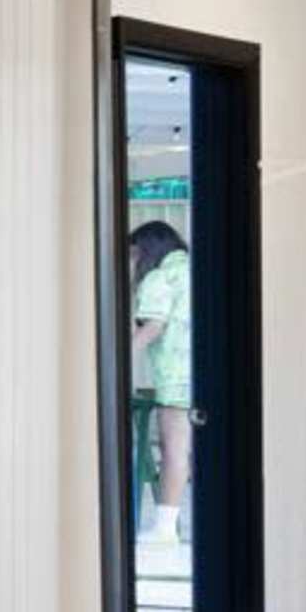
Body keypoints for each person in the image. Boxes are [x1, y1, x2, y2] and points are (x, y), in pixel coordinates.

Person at [128, 220, 192, 543]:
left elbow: (153, 326)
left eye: (134, 254)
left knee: (173, 450)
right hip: (201, 375)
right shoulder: (194, 269)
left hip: (177, 379)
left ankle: (165, 529)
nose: (133, 263)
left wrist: (120, 358)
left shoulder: (159, 277)